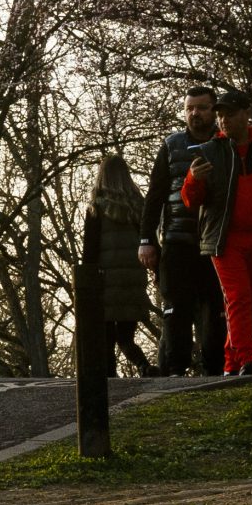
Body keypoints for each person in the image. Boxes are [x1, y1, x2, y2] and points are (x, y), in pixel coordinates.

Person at [181, 88, 252, 377]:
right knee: (238, 297)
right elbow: (189, 199)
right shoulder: (209, 152)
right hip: (224, 241)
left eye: (229, 115)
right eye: (220, 116)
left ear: (246, 115)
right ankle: (247, 359)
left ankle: (231, 364)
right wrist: (195, 179)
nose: (223, 121)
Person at [140, 85, 227, 376]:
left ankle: (214, 369)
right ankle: (175, 370)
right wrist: (146, 240)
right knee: (175, 308)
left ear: (214, 111)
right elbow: (155, 195)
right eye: (190, 108)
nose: (195, 113)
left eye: (201, 108)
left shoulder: (226, 143)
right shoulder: (171, 144)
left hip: (216, 240)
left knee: (215, 309)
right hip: (177, 239)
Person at [87, 154, 154, 379]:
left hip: (106, 279)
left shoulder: (96, 207)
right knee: (126, 335)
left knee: (105, 335)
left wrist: (88, 277)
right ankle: (143, 365)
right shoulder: (138, 204)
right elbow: (148, 237)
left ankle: (110, 379)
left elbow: (90, 248)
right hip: (133, 276)